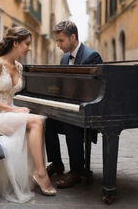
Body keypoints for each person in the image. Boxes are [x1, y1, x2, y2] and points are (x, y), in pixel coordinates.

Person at [0, 26, 56, 203]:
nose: (29, 47)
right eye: (27, 44)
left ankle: (34, 172)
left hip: (6, 113)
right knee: (36, 122)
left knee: (37, 121)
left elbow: (16, 94)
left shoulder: (18, 66)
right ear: (15, 43)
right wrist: (14, 110)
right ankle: (40, 173)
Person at [45, 20, 103, 188]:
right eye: (56, 41)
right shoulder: (64, 58)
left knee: (72, 123)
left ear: (73, 37)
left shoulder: (92, 56)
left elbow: (96, 90)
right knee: (46, 120)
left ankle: (77, 171)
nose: (57, 45)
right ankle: (57, 164)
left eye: (60, 40)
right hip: (70, 108)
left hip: (88, 111)